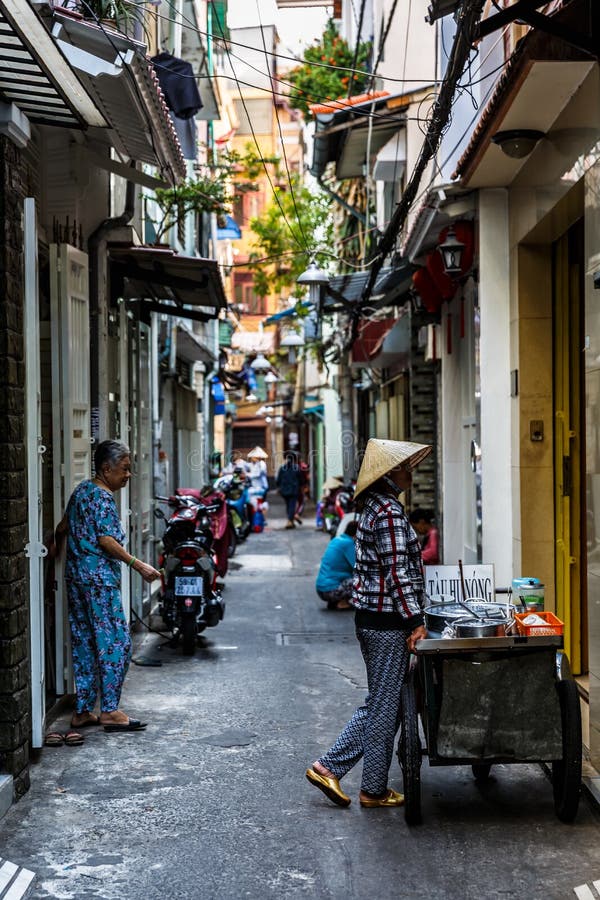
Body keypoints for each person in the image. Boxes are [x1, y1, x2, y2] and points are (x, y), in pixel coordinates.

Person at [306, 438, 431, 808]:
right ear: (391, 473)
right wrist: (415, 620)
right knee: (381, 705)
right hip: (387, 623)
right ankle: (328, 767)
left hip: (376, 620)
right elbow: (397, 574)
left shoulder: (374, 508)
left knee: (385, 703)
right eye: (406, 467)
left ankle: (373, 788)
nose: (411, 472)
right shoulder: (389, 512)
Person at [53, 440, 161, 733]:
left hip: (76, 579)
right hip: (98, 581)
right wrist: (138, 564)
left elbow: (62, 527)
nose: (128, 475)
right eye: (124, 469)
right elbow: (106, 540)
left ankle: (83, 711)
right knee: (117, 643)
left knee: (86, 643)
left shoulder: (81, 492)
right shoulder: (101, 498)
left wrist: (53, 558)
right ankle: (110, 711)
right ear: (106, 468)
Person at [315, 520, 357, 610]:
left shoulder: (337, 540)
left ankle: (335, 602)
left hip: (321, 589)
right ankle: (341, 603)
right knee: (362, 580)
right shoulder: (349, 543)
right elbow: (357, 567)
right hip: (331, 590)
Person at [276, 452, 301, 529]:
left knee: (288, 505)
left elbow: (278, 480)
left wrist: (280, 487)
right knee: (292, 506)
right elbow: (300, 479)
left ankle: (291, 521)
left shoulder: (282, 468)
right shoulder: (296, 468)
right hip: (293, 490)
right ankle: (290, 521)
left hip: (284, 490)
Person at [247, 446, 269, 510]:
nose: (251, 458)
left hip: (262, 486)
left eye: (253, 457)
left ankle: (262, 517)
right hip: (255, 486)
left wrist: (248, 475)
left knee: (262, 503)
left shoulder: (262, 464)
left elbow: (258, 474)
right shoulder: (254, 464)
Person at [294, 460, 310, 525]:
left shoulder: (290, 466)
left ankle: (292, 517)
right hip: (300, 487)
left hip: (292, 488)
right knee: (301, 502)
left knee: (292, 503)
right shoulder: (302, 466)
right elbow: (305, 478)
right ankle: (297, 514)